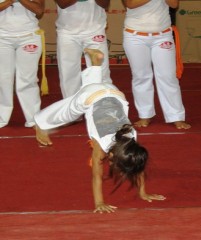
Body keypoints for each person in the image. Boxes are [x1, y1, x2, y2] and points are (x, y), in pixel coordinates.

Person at [34, 48, 165, 213]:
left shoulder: (130, 140)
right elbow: (97, 176)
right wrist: (99, 203)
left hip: (114, 92)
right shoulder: (102, 146)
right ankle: (39, 123)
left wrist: (143, 193)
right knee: (66, 113)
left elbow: (137, 165)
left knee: (92, 87)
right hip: (91, 96)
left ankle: (96, 63)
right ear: (111, 155)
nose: (111, 165)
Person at [121, 0, 190, 129]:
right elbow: (130, 3)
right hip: (134, 35)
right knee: (141, 76)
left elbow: (174, 4)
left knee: (168, 76)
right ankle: (145, 115)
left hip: (163, 35)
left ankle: (176, 116)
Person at [0, 0, 45, 128]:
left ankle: (33, 118)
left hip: (29, 35)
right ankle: (2, 117)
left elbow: (39, 10)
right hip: (2, 37)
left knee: (28, 79)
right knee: (3, 79)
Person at [55, 0, 112, 98]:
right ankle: (72, 110)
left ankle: (100, 108)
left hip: (95, 30)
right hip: (67, 32)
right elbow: (63, 3)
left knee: (101, 73)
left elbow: (105, 4)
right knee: (68, 75)